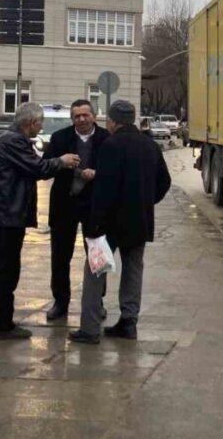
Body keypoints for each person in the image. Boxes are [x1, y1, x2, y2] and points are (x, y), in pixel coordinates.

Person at [0, 102, 79, 340]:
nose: (41, 127)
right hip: (5, 214)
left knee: (2, 267)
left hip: (1, 212)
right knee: (8, 269)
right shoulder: (14, 141)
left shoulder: (7, 139)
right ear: (31, 123)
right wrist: (62, 161)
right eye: (40, 123)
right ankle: (2, 324)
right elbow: (38, 168)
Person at [69, 100, 170, 344]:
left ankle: (90, 329)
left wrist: (94, 224)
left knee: (95, 272)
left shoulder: (110, 144)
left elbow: (105, 188)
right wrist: (146, 202)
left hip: (109, 224)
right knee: (134, 270)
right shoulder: (150, 145)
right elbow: (164, 182)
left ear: (112, 121)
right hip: (139, 221)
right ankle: (128, 322)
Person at [44, 99, 110, 322]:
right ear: (72, 119)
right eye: (77, 116)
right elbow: (47, 165)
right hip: (65, 203)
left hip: (94, 206)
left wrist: (98, 172)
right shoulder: (59, 138)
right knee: (60, 256)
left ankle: (96, 301)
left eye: (85, 115)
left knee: (96, 256)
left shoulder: (106, 139)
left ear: (94, 116)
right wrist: (67, 167)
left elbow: (115, 170)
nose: (81, 120)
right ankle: (60, 302)